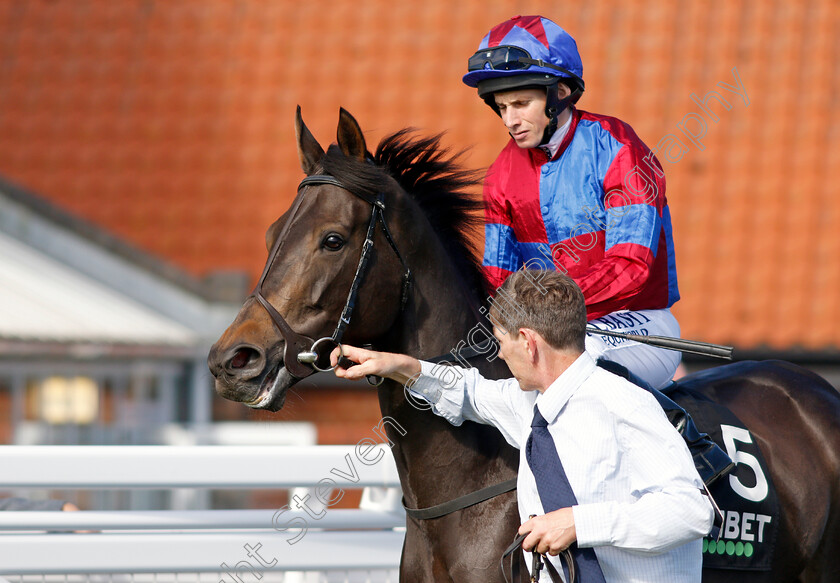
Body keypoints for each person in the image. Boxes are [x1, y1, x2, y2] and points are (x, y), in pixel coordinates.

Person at [463, 14, 732, 484]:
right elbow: (497, 276)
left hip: (636, 322)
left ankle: (691, 447)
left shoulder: (617, 146)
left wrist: (548, 314)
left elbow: (631, 265)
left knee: (579, 364)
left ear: (558, 93)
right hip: (543, 330)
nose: (510, 120)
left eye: (521, 103)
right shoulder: (501, 174)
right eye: (501, 107)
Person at [332, 270, 714, 582]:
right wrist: (396, 365)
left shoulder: (624, 404)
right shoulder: (530, 404)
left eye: (501, 341)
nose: (498, 353)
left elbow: (691, 510)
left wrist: (579, 523)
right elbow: (470, 392)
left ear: (529, 343)